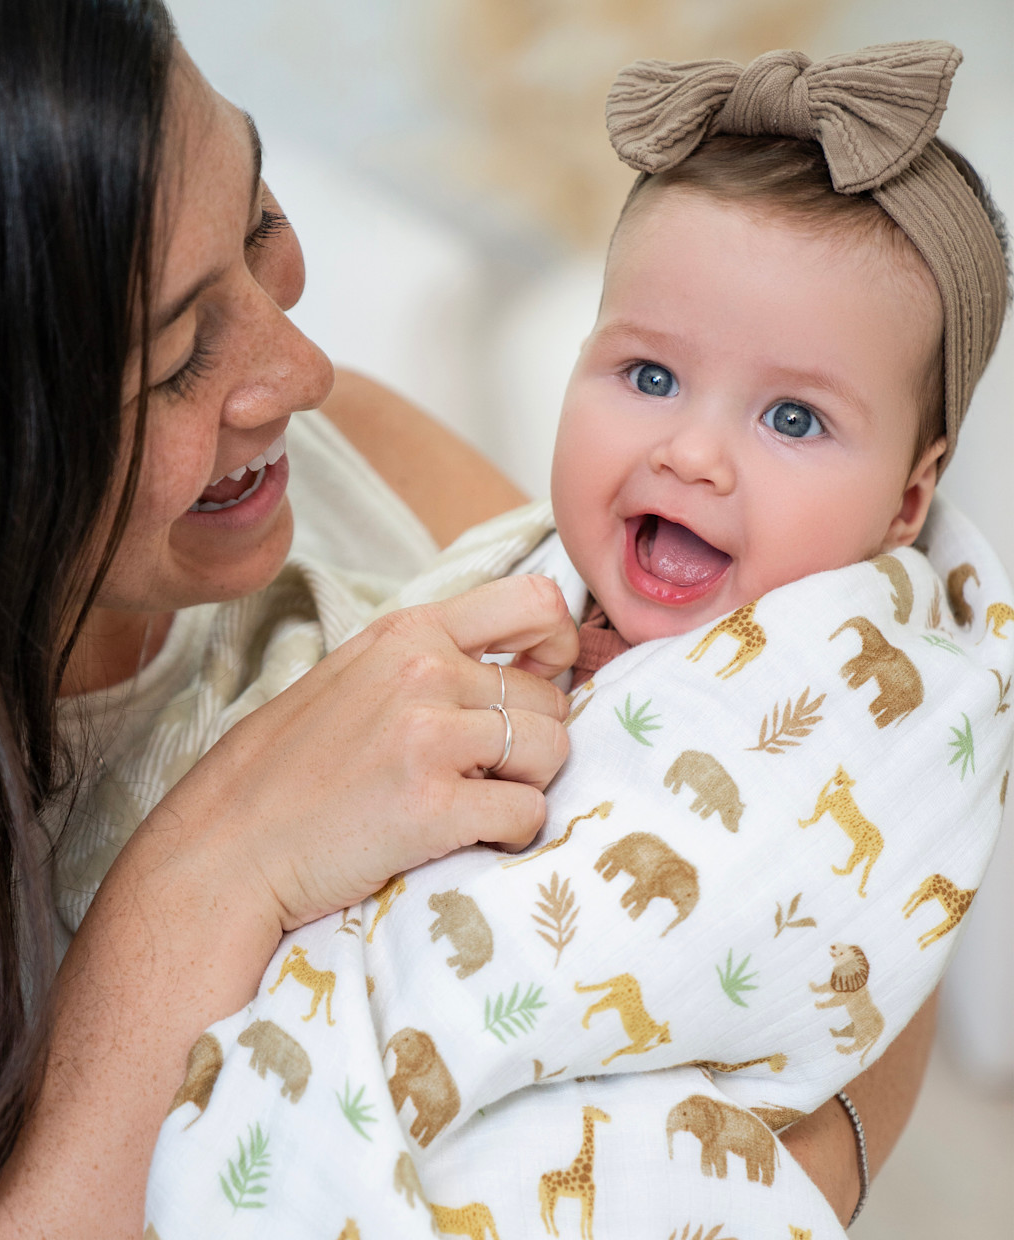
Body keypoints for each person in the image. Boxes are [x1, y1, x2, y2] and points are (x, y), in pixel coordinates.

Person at [0, 5, 943, 1238]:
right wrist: (213, 870)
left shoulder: (348, 459)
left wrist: (785, 1172)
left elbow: (860, 821)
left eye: (258, 218)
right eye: (176, 359)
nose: (303, 372)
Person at [140, 43, 1013, 1240]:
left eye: (793, 416)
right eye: (648, 372)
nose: (692, 453)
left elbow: (802, 900)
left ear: (908, 505)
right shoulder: (529, 566)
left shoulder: (852, 675)